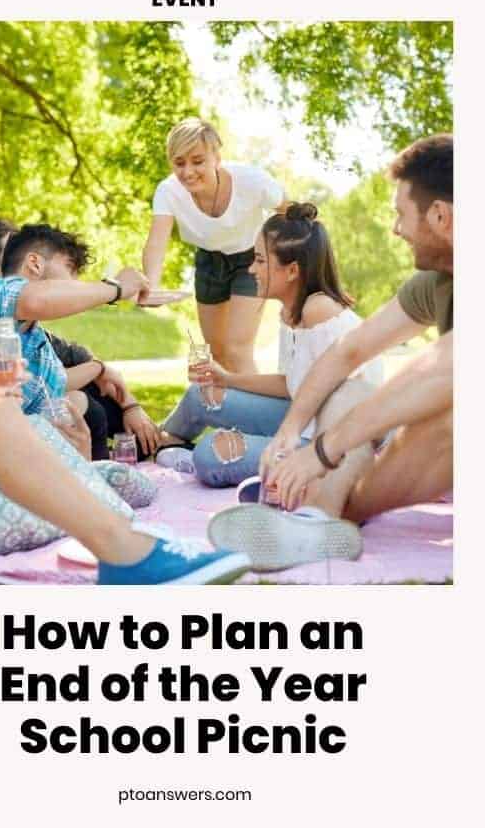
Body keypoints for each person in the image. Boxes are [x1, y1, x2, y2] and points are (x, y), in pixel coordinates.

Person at [0, 162, 251, 585]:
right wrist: (114, 289)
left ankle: (124, 541)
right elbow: (25, 301)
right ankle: (127, 555)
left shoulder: (17, 335)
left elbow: (49, 401)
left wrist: (79, 427)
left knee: (113, 475)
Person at [208, 134, 453, 567]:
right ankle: (320, 519)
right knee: (367, 403)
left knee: (441, 417)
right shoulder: (437, 284)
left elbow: (441, 370)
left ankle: (319, 512)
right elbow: (347, 352)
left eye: (401, 215)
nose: (397, 229)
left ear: (440, 216)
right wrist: (290, 432)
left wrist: (321, 451)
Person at [158, 203, 382, 499]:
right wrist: (226, 378)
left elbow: (336, 406)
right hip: (301, 420)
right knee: (200, 394)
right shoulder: (292, 311)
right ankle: (161, 440)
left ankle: (276, 474)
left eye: (260, 261)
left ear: (291, 271)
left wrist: (282, 441)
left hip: (332, 439)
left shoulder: (319, 311)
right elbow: (293, 384)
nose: (252, 269)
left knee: (210, 455)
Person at [0, 219, 160, 459]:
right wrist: (115, 288)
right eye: (71, 270)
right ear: (33, 262)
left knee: (84, 409)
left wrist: (126, 403)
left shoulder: (36, 341)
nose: (74, 286)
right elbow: (33, 300)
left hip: (1, 450)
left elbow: (55, 382)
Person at [141, 117, 289, 372]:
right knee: (217, 354)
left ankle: (253, 412)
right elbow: (157, 239)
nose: (188, 172)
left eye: (197, 161)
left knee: (237, 349)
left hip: (251, 260)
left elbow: (295, 213)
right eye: (179, 163)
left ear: (216, 158)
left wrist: (305, 268)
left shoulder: (253, 181)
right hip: (209, 262)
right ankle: (226, 410)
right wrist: (150, 285)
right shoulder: (168, 191)